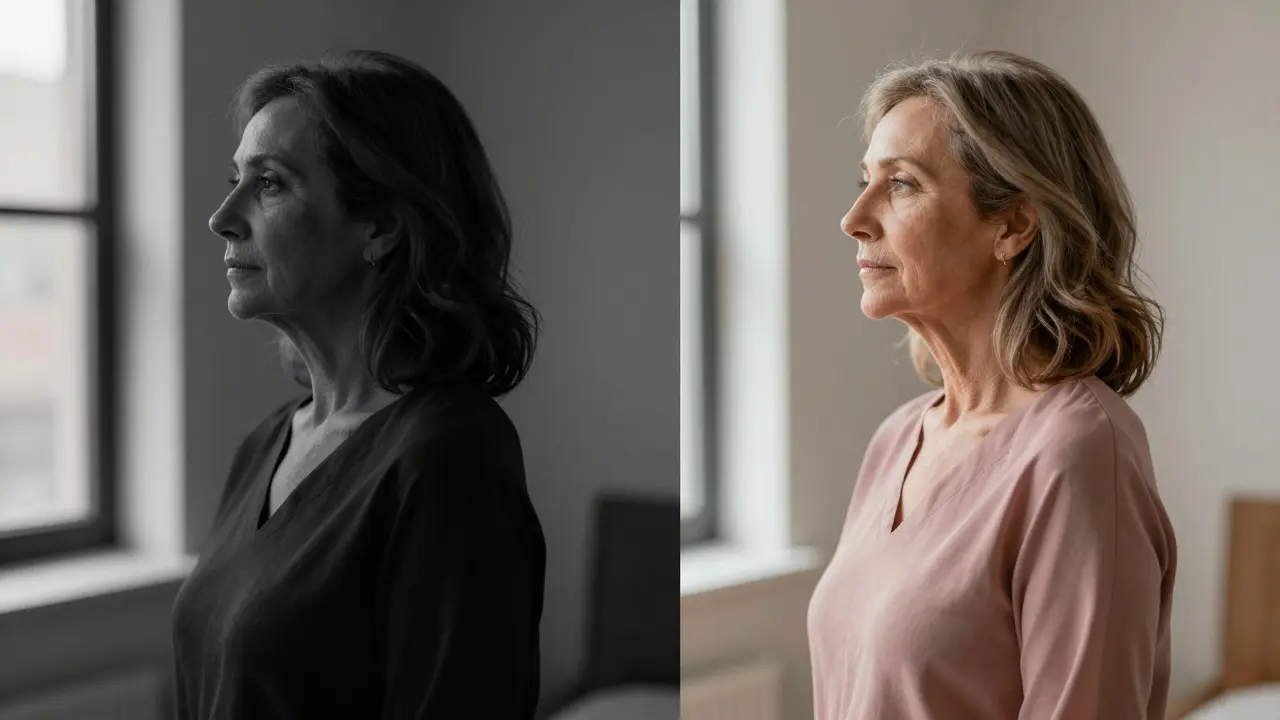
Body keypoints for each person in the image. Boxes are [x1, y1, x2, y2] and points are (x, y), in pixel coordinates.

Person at [170, 49, 545, 719]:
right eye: (236, 180)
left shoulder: (448, 459)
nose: (222, 216)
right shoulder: (266, 445)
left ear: (383, 226)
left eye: (270, 184)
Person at [806, 50, 1176, 720]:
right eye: (865, 179)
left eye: (903, 185)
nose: (854, 217)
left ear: (1011, 225)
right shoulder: (898, 439)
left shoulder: (1081, 453)